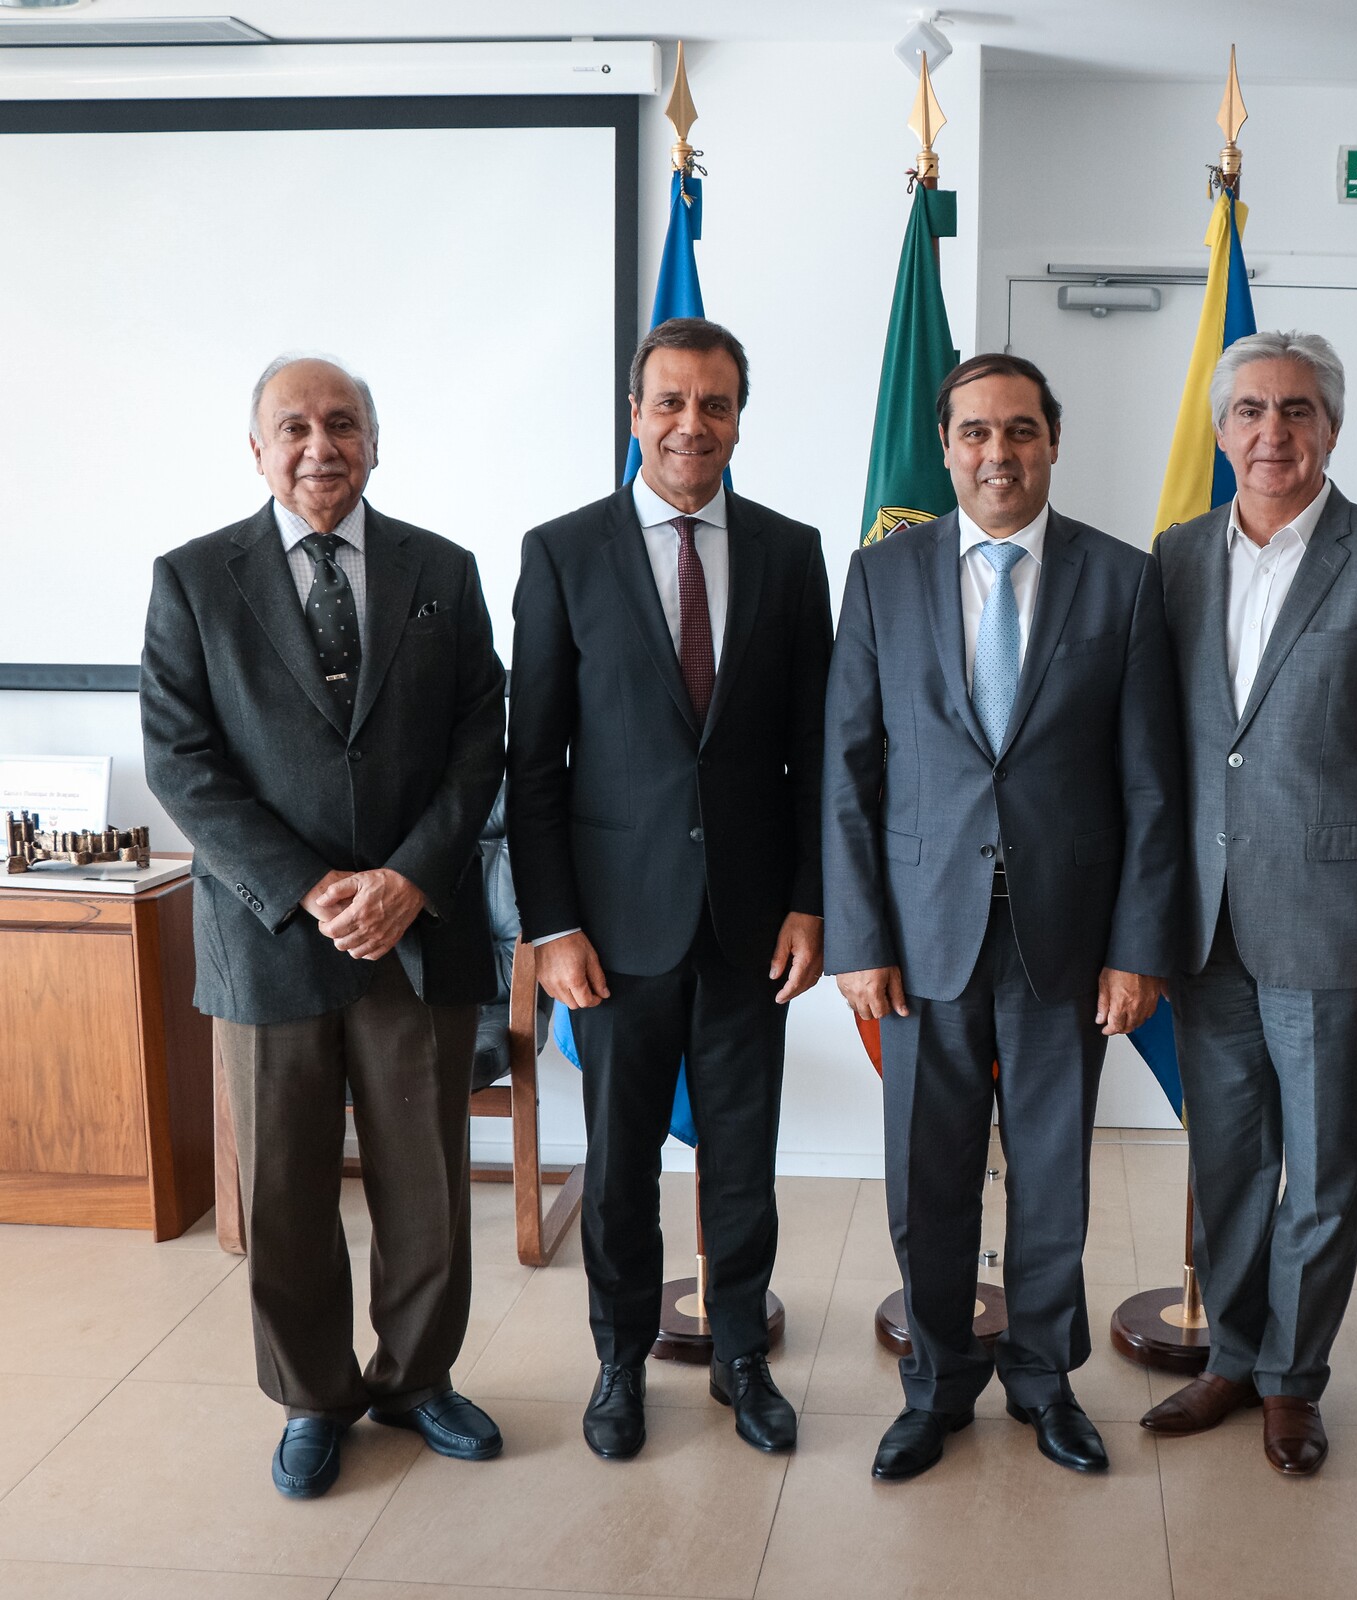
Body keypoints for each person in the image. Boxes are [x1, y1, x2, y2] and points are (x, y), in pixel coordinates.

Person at [141, 354, 508, 1499]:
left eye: (341, 423)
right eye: (292, 427)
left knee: (425, 1182)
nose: (320, 445)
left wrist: (406, 877)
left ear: (375, 440)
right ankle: (312, 1395)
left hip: (416, 930)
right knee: (290, 1189)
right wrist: (308, 887)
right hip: (271, 938)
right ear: (257, 451)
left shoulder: (442, 568)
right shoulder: (194, 579)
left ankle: (416, 1378)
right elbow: (182, 765)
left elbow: (479, 738)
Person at [825, 352, 1183, 1482]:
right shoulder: (883, 577)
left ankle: (1043, 1378)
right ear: (945, 447)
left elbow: (1149, 785)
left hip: (1064, 939)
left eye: (1020, 431)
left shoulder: (1121, 580)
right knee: (925, 1172)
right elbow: (847, 769)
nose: (997, 453)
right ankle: (934, 1385)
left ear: (1053, 441)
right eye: (975, 432)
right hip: (922, 936)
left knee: (1052, 1170)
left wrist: (1136, 945)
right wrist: (859, 937)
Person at [507, 318, 831, 1461]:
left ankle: (741, 1355)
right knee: (621, 1165)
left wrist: (810, 899)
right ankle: (617, 1361)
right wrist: (550, 927)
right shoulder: (561, 551)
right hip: (610, 931)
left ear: (741, 416)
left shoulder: (792, 553)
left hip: (750, 927)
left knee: (743, 1155)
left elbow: (815, 747)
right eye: (672, 403)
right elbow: (530, 759)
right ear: (635, 412)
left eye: (717, 404)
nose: (694, 425)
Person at [1141, 330, 1357, 1475]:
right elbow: (1158, 752)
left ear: (1331, 427)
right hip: (1202, 925)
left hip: (1334, 932)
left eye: (1298, 410)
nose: (1272, 432)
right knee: (1226, 1164)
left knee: (1321, 1172)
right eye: (1251, 412)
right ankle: (1230, 1354)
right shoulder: (1173, 558)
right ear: (1222, 431)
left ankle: (1292, 1379)